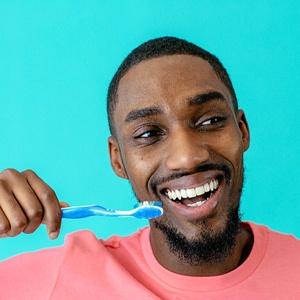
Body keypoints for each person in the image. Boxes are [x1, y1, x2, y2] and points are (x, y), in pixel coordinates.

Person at [0, 37, 299, 299]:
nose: (187, 157)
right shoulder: (57, 278)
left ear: (242, 130)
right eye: (148, 134)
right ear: (118, 159)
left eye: (210, 121)